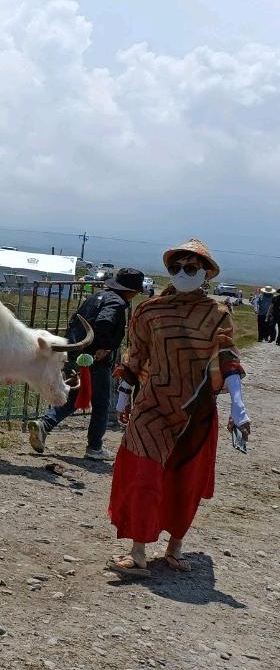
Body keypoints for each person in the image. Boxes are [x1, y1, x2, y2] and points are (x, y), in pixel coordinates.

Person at [107, 238, 248, 575]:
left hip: (195, 411)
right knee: (143, 475)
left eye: (191, 267)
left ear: (205, 274)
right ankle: (138, 552)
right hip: (151, 406)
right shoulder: (149, 310)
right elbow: (136, 353)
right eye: (177, 268)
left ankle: (175, 548)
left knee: (186, 480)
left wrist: (239, 408)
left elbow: (227, 358)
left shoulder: (217, 315)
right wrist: (124, 394)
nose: (183, 273)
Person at [27, 267, 144, 460]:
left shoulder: (97, 297)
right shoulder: (117, 302)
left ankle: (44, 426)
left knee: (76, 397)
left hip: (74, 353)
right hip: (93, 359)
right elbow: (105, 322)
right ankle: (95, 447)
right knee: (100, 402)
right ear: (131, 291)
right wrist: (105, 346)